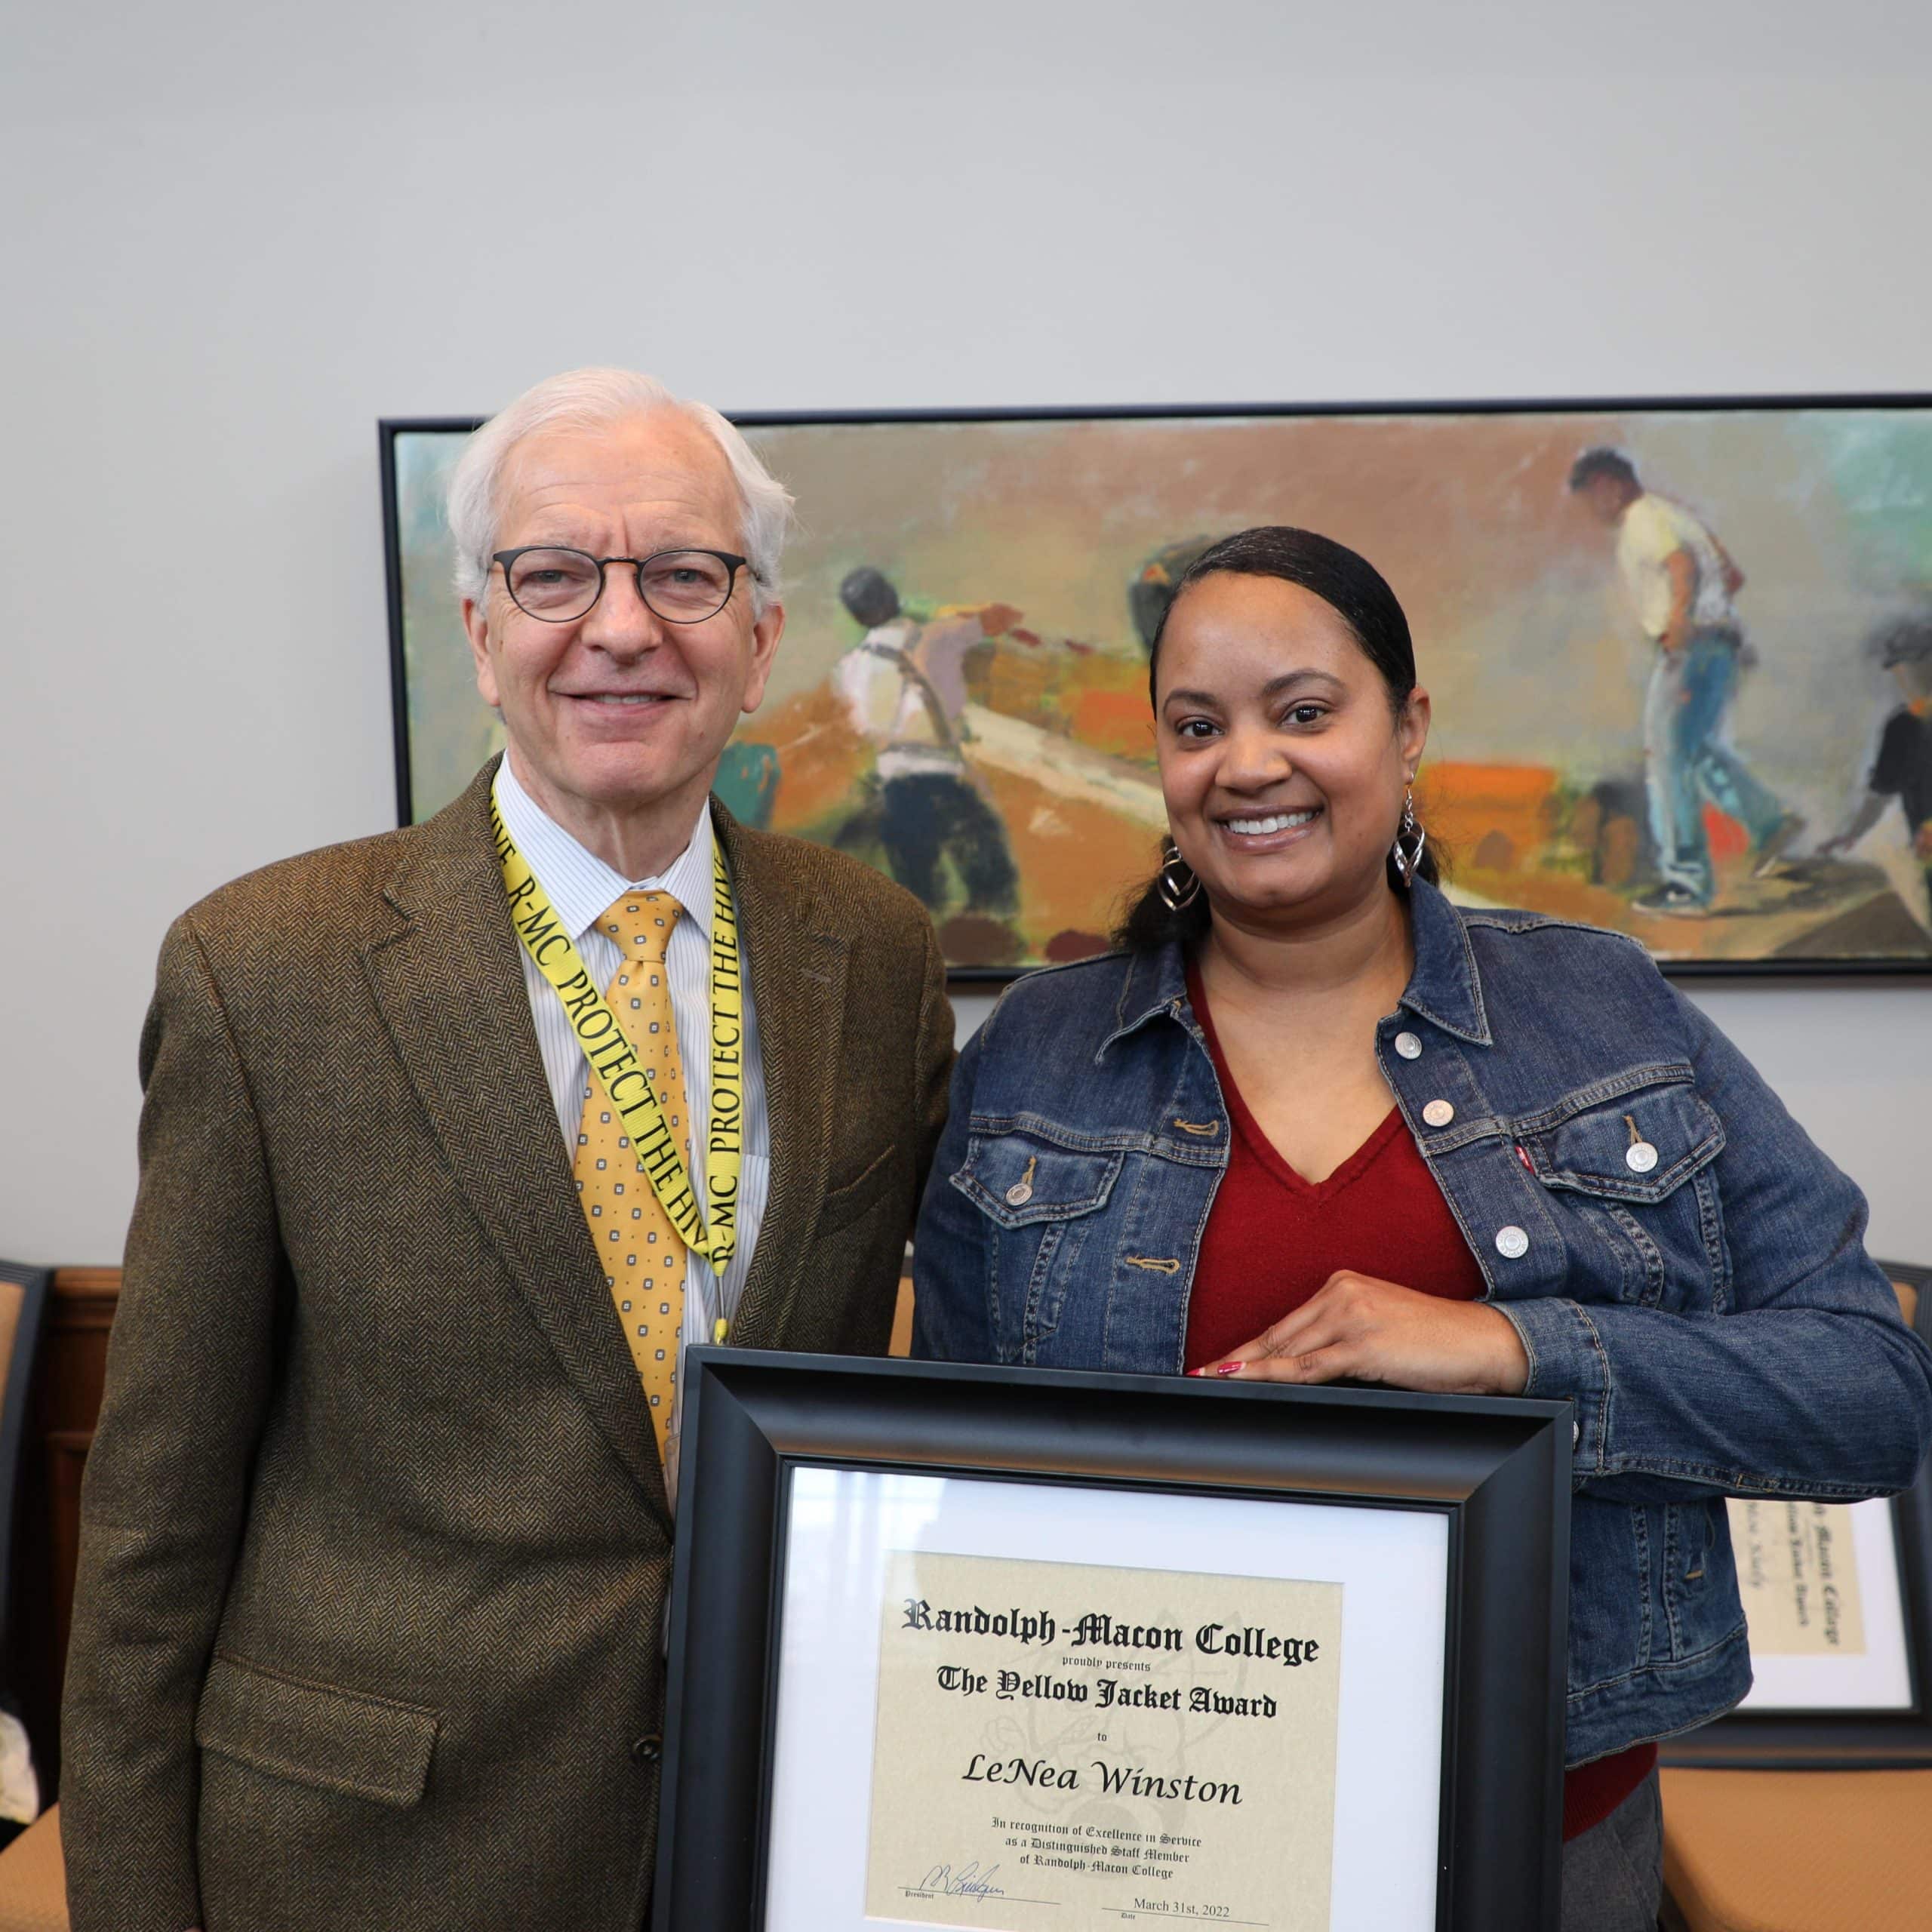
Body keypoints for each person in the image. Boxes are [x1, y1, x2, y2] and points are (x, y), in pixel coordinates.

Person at [911, 526, 1932, 1932]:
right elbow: (950, 1478)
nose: (1249, 763)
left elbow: (1869, 1395)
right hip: (1131, 1839)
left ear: (1411, 731)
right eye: (1197, 725)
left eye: (1307, 711)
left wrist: (1516, 1353)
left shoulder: (1604, 1014)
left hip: (1539, 1843)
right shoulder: (1038, 1051)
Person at [62, 368, 955, 1932]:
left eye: (683, 572)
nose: (621, 626)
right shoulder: (266, 965)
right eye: (555, 573)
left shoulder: (871, 954)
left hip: (764, 1819)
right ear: (481, 632)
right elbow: (151, 1520)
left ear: (757, 638)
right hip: (372, 1850)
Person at [1568, 448, 1802, 913]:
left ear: (1606, 486)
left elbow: (1681, 564)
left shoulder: (1641, 520)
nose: (1594, 513)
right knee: (1693, 750)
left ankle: (1687, 883)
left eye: (1591, 499)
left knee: (1668, 758)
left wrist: (1679, 620)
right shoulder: (1674, 514)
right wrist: (1709, 614)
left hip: (1690, 648)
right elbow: (1731, 573)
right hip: (1719, 645)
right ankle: (1770, 822)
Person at [833, 565, 1020, 921]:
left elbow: (862, 727)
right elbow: (999, 618)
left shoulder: (851, 667)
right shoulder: (939, 637)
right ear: (892, 598)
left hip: (897, 785)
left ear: (858, 615)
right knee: (994, 884)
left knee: (919, 899)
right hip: (949, 777)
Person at [1820, 616, 1932, 919]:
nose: (1903, 679)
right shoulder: (1903, 728)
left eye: (1907, 668)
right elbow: (1881, 792)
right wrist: (1852, 835)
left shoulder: (1906, 726)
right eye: (1899, 670)